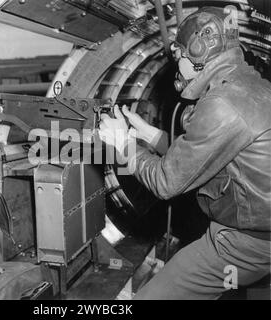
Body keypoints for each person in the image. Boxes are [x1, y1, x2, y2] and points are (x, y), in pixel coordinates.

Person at [98, 6, 271, 299]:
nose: (177, 66)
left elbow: (167, 182)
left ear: (198, 51)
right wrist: (148, 133)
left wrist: (123, 144)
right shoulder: (250, 85)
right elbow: (207, 156)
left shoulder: (222, 103)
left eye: (178, 55)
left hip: (246, 243)